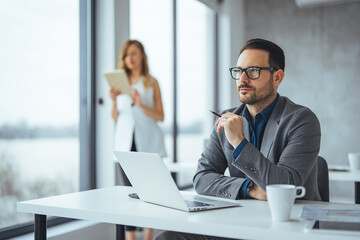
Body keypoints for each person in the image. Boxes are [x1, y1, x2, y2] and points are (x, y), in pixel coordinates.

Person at [154, 38, 321, 240]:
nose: (242, 79)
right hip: (240, 222)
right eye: (239, 71)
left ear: (277, 77)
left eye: (253, 71)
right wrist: (248, 188)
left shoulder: (301, 120)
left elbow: (286, 186)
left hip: (289, 228)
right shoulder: (227, 117)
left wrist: (239, 143)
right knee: (168, 237)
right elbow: (202, 178)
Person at [110, 39, 166, 240]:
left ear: (142, 55)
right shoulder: (120, 84)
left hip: (148, 144)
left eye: (133, 53)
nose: (129, 58)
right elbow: (116, 117)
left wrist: (140, 104)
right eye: (126, 55)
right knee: (129, 195)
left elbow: (161, 116)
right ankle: (131, 238)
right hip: (125, 144)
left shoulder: (151, 82)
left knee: (149, 193)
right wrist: (113, 101)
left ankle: (148, 237)